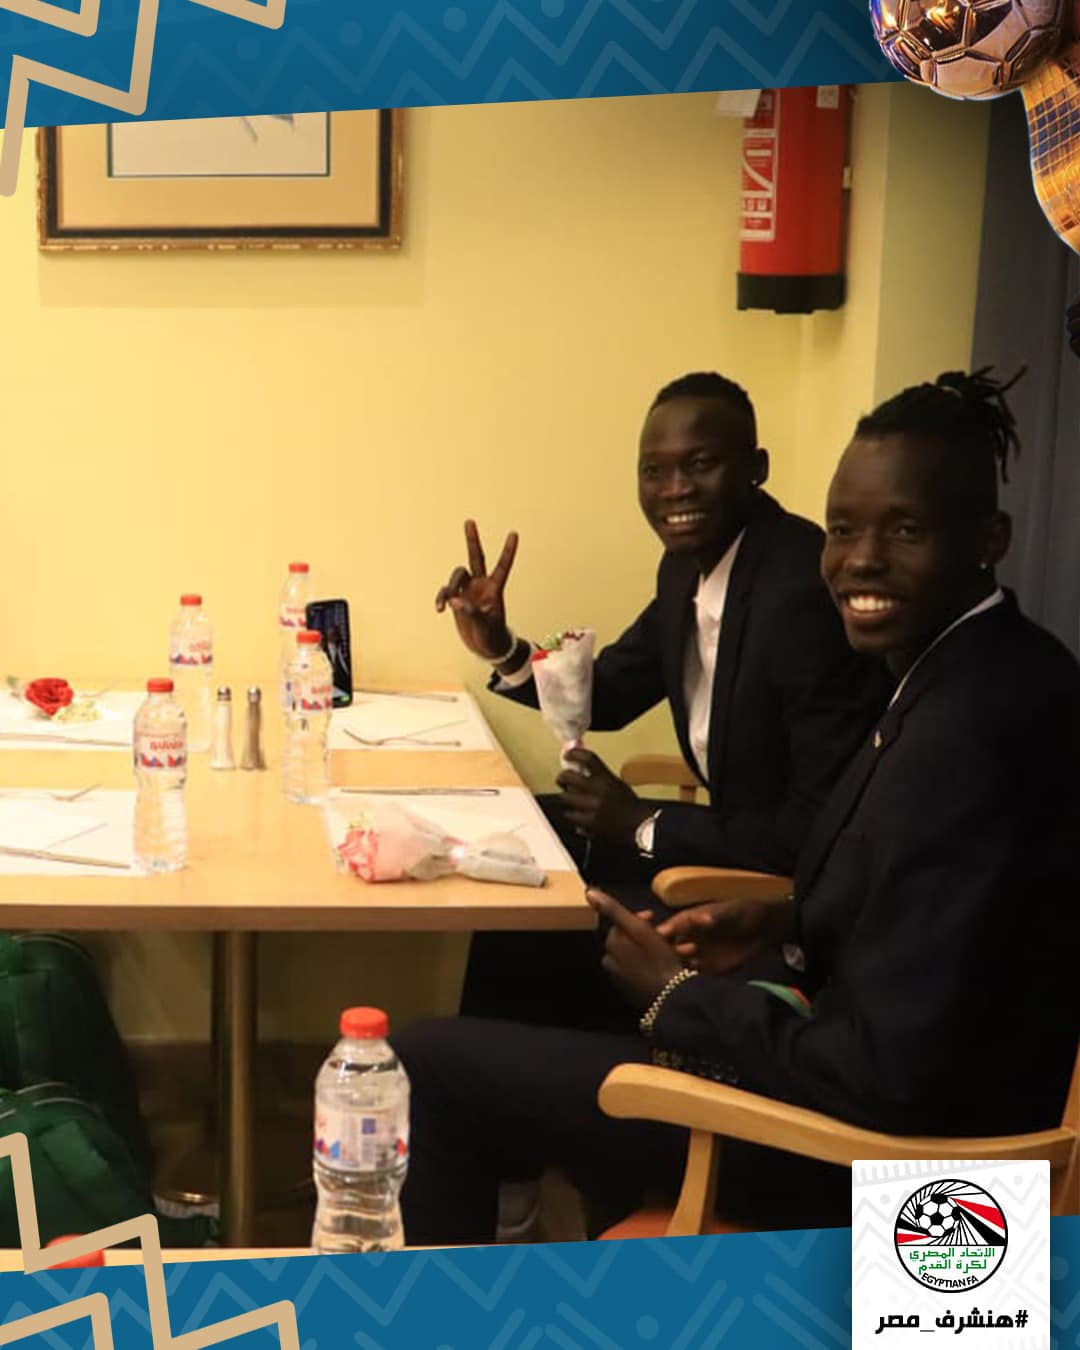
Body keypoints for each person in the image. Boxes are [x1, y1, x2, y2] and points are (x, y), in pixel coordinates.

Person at [393, 369, 1080, 1246]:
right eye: (844, 530)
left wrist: (681, 1000)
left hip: (900, 1179)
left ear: (989, 540)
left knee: (421, 1067)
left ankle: (543, 1253)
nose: (860, 561)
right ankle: (571, 1230)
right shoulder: (969, 667)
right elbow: (917, 911)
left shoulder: (972, 728)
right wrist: (777, 922)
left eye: (904, 530)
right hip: (845, 1064)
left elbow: (883, 1075)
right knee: (557, 934)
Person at [438, 372, 891, 1029]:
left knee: (538, 917)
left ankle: (506, 1065)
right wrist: (503, 648)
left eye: (700, 464)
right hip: (727, 840)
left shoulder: (797, 588)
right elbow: (613, 690)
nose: (674, 489)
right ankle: (489, 1060)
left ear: (756, 468)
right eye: (654, 471)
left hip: (767, 889)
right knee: (524, 843)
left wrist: (643, 825)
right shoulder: (687, 566)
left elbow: (812, 829)